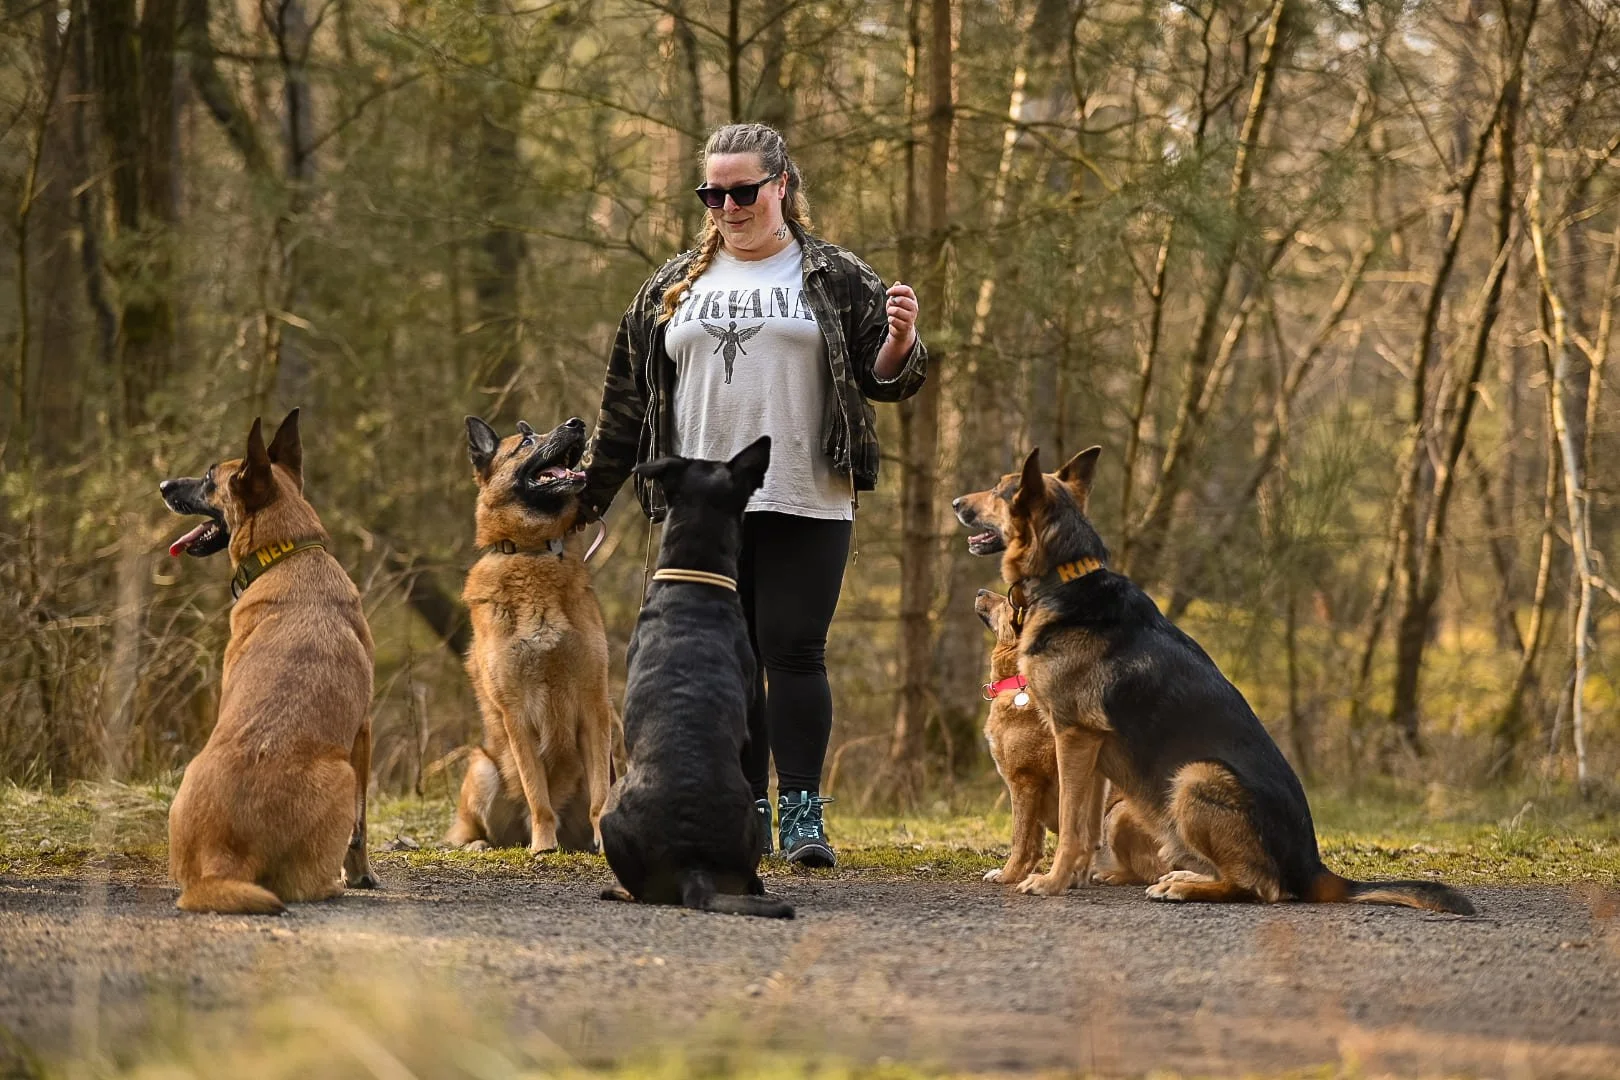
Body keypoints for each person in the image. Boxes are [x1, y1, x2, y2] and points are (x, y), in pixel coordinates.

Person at [580, 122, 927, 868]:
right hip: (699, 509)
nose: (728, 207)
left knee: (793, 649)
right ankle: (743, 808)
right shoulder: (670, 287)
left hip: (806, 491)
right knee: (719, 658)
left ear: (782, 185)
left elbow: (887, 379)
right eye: (712, 194)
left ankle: (802, 815)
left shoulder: (835, 275)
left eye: (743, 192)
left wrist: (899, 344)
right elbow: (625, 405)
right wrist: (587, 497)